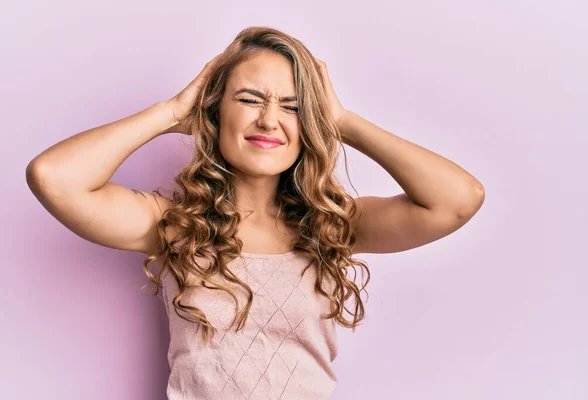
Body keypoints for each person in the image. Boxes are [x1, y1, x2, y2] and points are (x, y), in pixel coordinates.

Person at [26, 26, 485, 399]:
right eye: (249, 99)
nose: (269, 120)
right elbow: (54, 177)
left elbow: (458, 199)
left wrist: (341, 121)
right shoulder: (174, 224)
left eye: (293, 106)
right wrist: (170, 112)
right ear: (215, 110)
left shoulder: (332, 226)